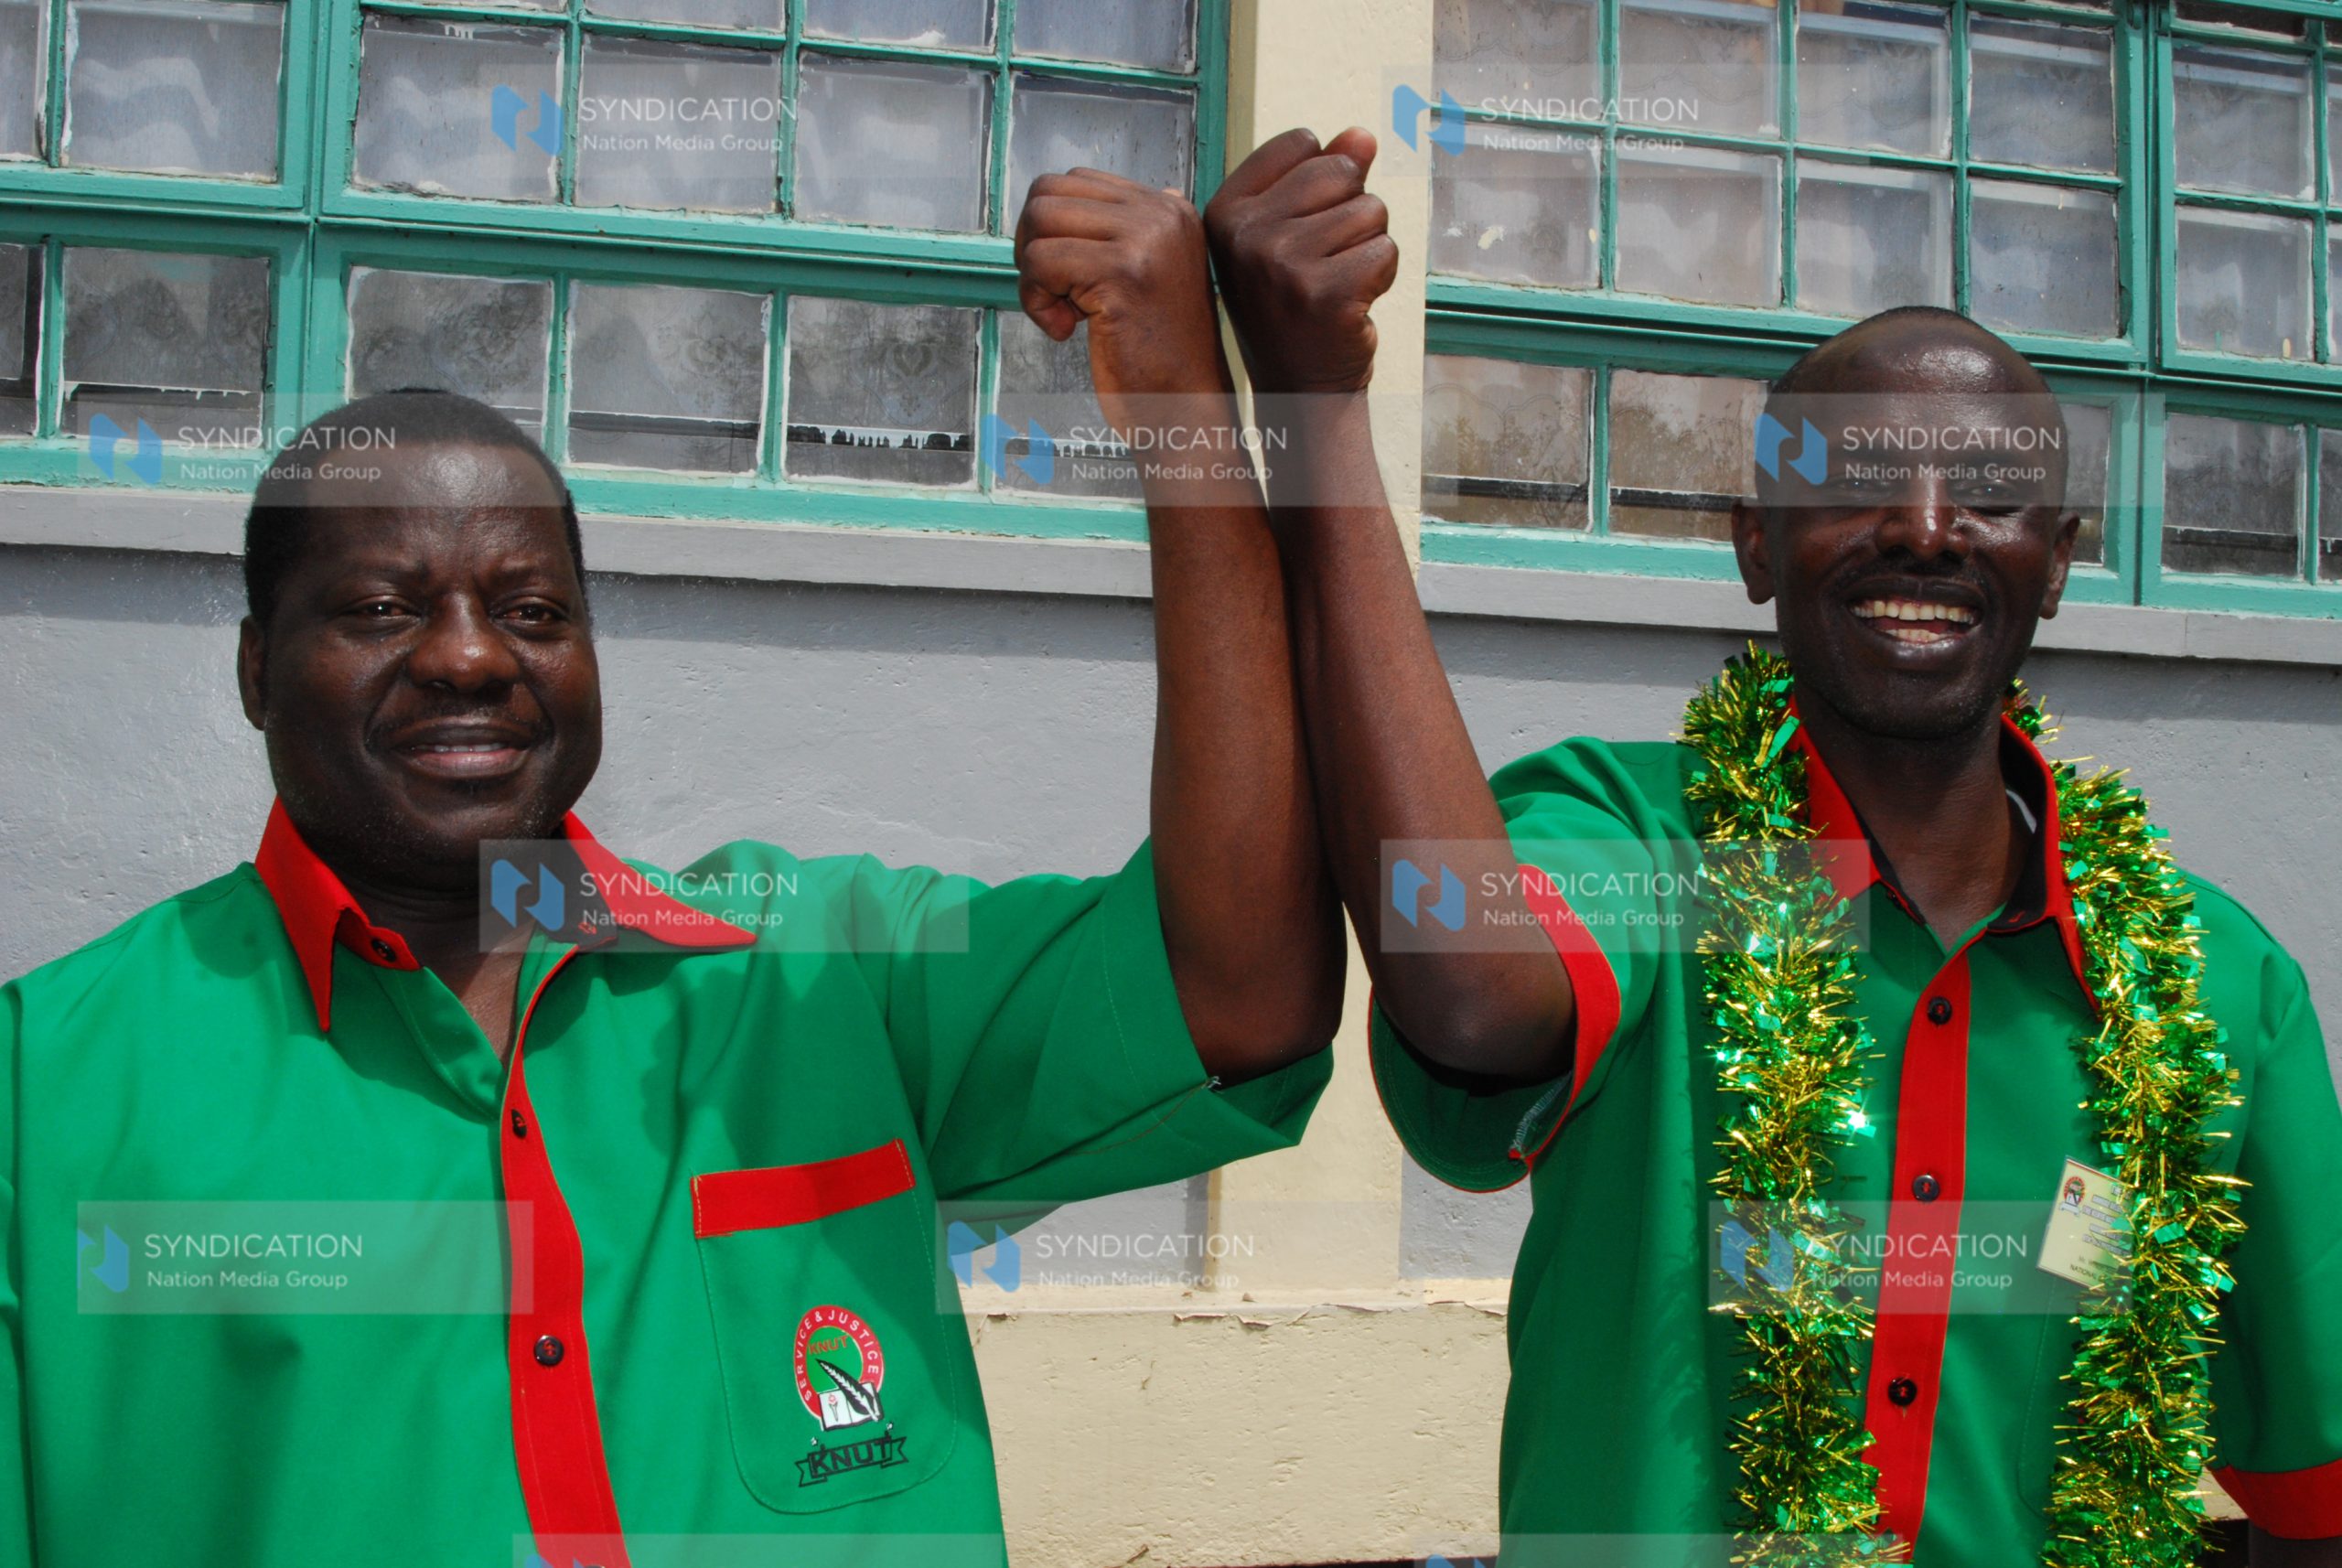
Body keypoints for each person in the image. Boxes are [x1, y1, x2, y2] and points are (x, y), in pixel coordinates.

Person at [3, 156, 1347, 1567]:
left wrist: (1191, 424)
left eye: (531, 606)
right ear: (255, 669)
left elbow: (1239, 989)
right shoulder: (46, 1094)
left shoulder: (823, 974)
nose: (470, 655)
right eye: (385, 606)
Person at [1202, 134, 2342, 1566]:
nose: (1927, 530)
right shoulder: (1638, 842)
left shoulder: (2219, 988)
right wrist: (1317, 415)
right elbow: (1473, 985)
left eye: (1986, 494)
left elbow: (2314, 1489)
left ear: (2057, 558)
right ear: (1757, 543)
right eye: (1863, 480)